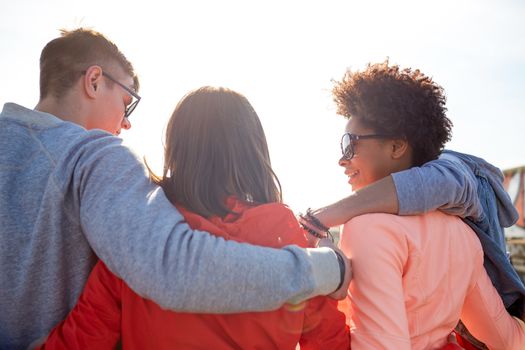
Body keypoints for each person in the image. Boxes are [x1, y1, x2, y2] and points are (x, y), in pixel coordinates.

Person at [0, 28, 350, 350]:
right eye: (127, 101)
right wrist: (324, 268)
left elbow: (86, 336)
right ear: (93, 81)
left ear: (177, 149)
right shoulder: (100, 164)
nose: (127, 122)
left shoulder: (129, 244)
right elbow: (330, 340)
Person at [323, 61, 525, 349]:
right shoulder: (466, 236)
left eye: (350, 144)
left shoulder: (367, 227)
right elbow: (506, 339)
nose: (342, 159)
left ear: (396, 147)